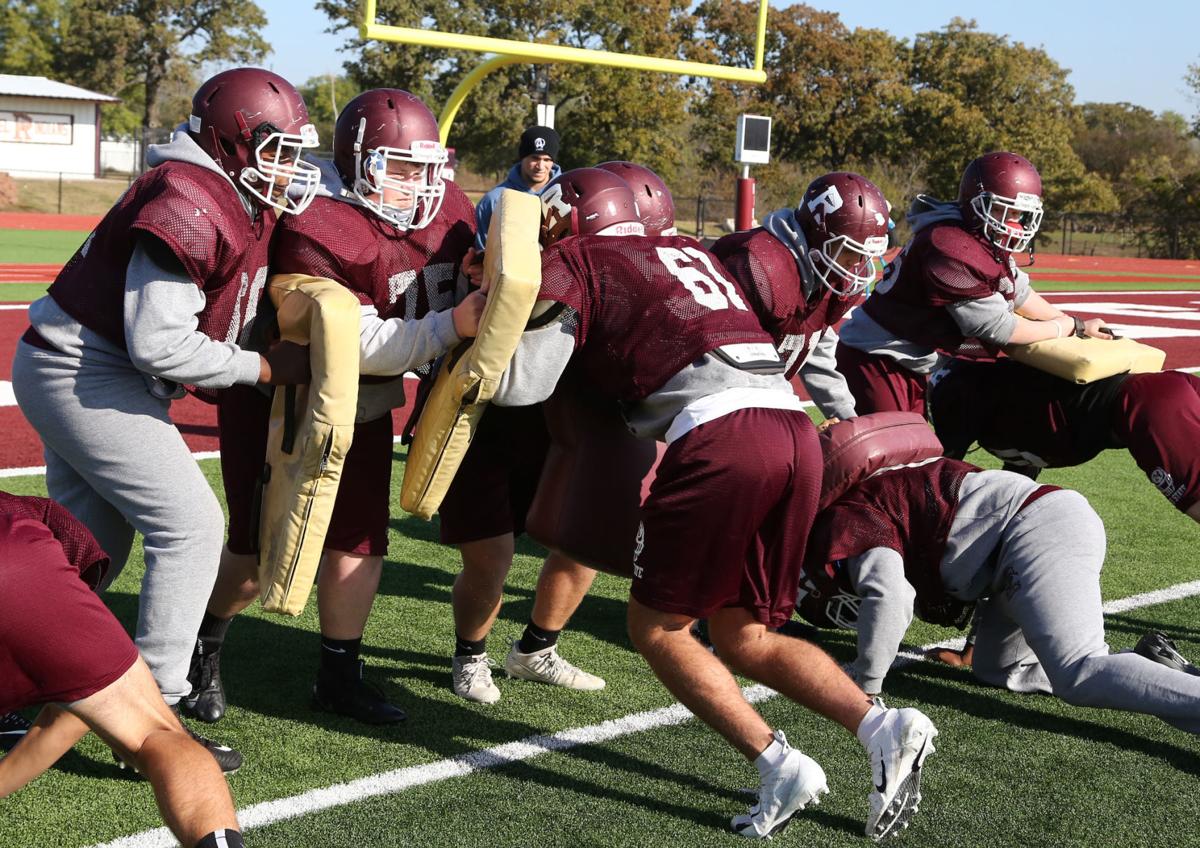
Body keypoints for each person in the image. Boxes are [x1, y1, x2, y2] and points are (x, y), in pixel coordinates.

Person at [491, 167, 939, 840]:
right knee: (745, 634)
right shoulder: (692, 252)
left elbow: (518, 386)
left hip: (723, 438)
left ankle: (778, 763)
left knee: (657, 629)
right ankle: (882, 724)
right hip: (794, 433)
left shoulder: (583, 257)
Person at [10, 67, 318, 772]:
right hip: (83, 371)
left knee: (87, 548)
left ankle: (13, 676)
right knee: (193, 527)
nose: (290, 167)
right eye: (276, 149)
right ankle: (153, 717)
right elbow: (159, 341)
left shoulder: (226, 190)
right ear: (227, 141)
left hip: (85, 367)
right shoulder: (189, 195)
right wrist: (265, 369)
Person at [188, 88, 486, 725]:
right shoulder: (314, 222)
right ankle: (201, 650)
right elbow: (351, 341)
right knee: (254, 548)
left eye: (430, 168)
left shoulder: (448, 211)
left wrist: (480, 269)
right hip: (284, 400)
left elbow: (465, 276)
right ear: (361, 163)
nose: (424, 185)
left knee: (360, 539)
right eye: (405, 169)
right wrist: (449, 325)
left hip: (370, 403)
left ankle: (338, 674)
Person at [795, 453, 1200, 735]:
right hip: (1010, 551)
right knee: (999, 669)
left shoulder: (848, 513)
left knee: (1080, 672)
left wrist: (863, 686)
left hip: (1034, 530)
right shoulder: (872, 487)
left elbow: (891, 595)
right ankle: (1152, 668)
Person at [443, 127, 600, 706]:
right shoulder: (510, 245)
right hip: (493, 412)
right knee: (492, 556)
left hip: (562, 420)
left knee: (590, 536)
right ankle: (470, 655)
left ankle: (537, 647)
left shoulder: (612, 270)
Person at [0, 490, 245, 848]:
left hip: (21, 555)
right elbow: (78, 692)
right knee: (156, 732)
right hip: (19, 552)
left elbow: (70, 707)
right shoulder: (42, 529)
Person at [835, 151, 1114, 416]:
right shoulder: (951, 247)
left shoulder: (980, 235)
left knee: (912, 449)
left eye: (1019, 215)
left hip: (910, 356)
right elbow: (1000, 329)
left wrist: (1069, 320)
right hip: (878, 356)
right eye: (1005, 212)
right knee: (889, 451)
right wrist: (1068, 326)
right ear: (976, 203)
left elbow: (1019, 293)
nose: (1014, 224)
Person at [927, 358, 1200, 524]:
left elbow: (937, 474)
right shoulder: (988, 388)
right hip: (1168, 388)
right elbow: (1019, 472)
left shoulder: (955, 388)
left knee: (1195, 501)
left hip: (1149, 404)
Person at [711, 172, 890, 422]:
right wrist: (792, 421)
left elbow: (813, 347)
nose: (857, 264)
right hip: (712, 401)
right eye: (850, 251)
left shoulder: (822, 274)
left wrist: (851, 421)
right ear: (817, 234)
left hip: (752, 402)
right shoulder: (761, 270)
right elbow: (738, 368)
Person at [473, 125, 562, 250]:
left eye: (547, 159)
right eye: (535, 158)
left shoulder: (568, 196)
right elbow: (482, 252)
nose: (541, 166)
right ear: (522, 157)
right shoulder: (494, 200)